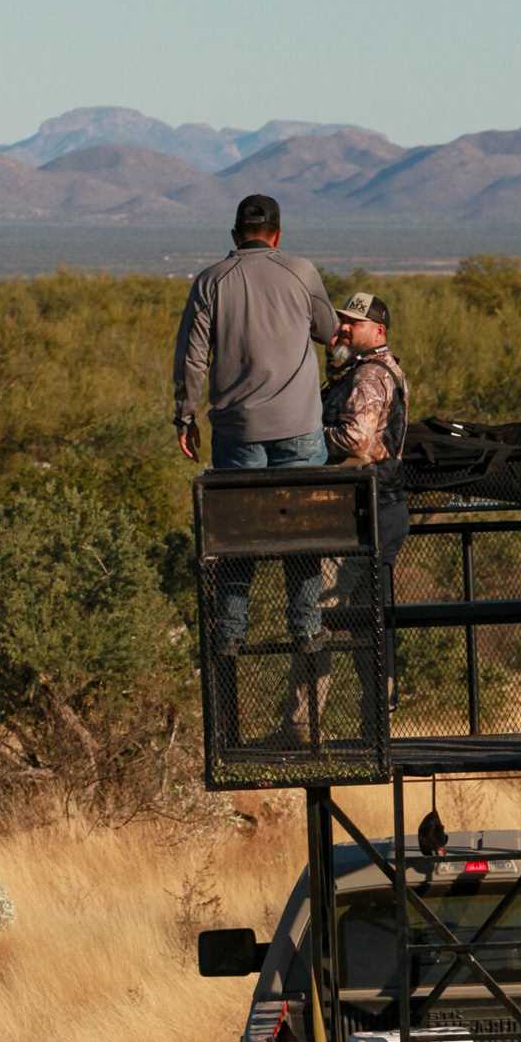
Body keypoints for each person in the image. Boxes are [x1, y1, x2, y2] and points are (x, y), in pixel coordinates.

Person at [173, 193, 337, 743]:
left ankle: (231, 631)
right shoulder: (301, 272)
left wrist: (185, 414)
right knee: (304, 531)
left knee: (238, 534)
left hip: (238, 432)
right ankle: (306, 625)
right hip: (299, 428)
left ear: (236, 232)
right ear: (278, 233)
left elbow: (193, 357)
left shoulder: (210, 282)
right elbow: (327, 330)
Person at [319, 291, 409, 731]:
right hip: (381, 507)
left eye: (353, 323)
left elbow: (356, 439)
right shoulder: (367, 371)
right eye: (342, 321)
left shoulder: (370, 376)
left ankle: (304, 725)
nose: (345, 328)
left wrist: (307, 441)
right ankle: (376, 720)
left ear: (378, 330)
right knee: (367, 618)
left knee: (322, 610)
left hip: (365, 511)